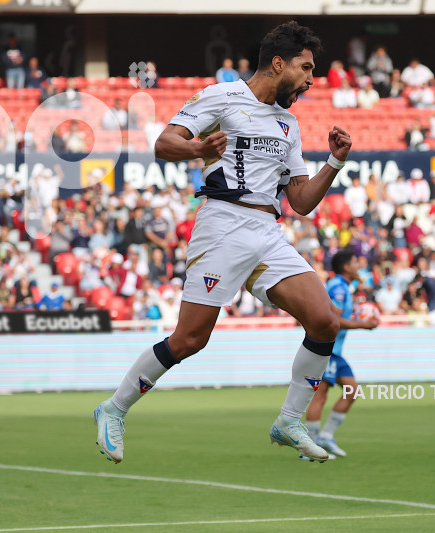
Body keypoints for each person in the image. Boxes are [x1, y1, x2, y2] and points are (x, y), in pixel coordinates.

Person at [93, 21, 348, 464]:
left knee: (325, 321)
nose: (312, 79)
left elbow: (302, 202)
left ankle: (290, 421)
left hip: (267, 231)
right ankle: (113, 408)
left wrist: (334, 162)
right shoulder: (222, 96)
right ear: (278, 63)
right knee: (190, 339)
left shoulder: (289, 123)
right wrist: (198, 150)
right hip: (223, 225)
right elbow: (164, 143)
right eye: (306, 68)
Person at [304, 250, 378, 459]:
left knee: (351, 390)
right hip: (326, 348)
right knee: (320, 395)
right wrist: (362, 324)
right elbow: (333, 320)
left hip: (335, 351)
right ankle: (309, 447)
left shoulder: (344, 286)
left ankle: (325, 437)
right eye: (355, 262)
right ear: (346, 267)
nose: (359, 266)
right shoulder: (338, 287)